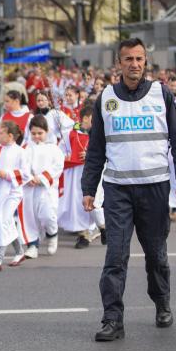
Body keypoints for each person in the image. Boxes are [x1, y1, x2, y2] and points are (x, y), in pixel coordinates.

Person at [82, 38, 176, 342]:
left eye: (139, 59)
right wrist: (88, 187)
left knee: (156, 255)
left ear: (146, 62)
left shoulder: (162, 94)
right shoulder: (105, 98)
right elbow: (96, 149)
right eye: (128, 59)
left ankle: (162, 301)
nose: (134, 64)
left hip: (154, 189)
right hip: (118, 191)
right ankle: (112, 319)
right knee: (115, 256)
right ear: (119, 63)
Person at [0, 121, 29, 269]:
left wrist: (7, 174)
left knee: (1, 219)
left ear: (10, 136)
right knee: (6, 221)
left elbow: (26, 174)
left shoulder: (20, 152)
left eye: (0, 133)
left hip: (13, 192)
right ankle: (19, 251)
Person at [19, 115, 64, 258]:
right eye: (33, 133)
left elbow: (57, 166)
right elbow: (21, 166)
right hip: (29, 188)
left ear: (47, 131)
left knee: (47, 215)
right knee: (30, 217)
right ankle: (33, 245)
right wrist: (29, 178)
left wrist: (42, 178)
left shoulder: (54, 149)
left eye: (40, 133)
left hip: (46, 189)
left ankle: (52, 234)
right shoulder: (25, 148)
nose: (37, 136)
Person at [58, 106, 102, 249]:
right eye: (93, 119)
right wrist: (65, 155)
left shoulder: (98, 133)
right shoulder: (70, 133)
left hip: (93, 172)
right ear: (85, 118)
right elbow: (60, 149)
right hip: (74, 172)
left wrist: (90, 155)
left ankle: (95, 228)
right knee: (77, 202)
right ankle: (84, 230)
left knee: (94, 201)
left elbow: (105, 150)